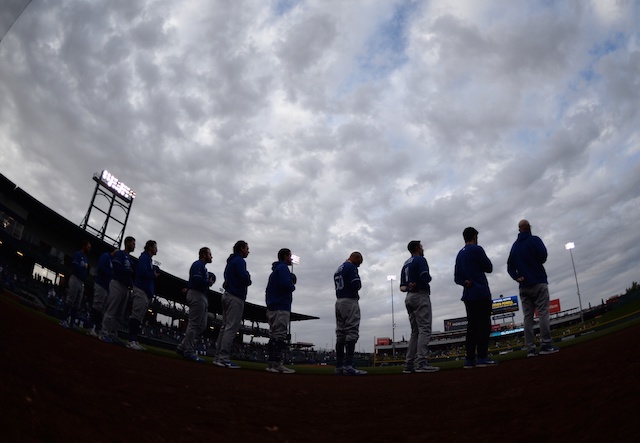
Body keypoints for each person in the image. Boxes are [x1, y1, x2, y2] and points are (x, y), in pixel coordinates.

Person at [507, 220, 559, 357]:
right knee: (543, 313)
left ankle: (530, 349)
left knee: (528, 318)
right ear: (529, 228)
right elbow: (543, 256)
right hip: (538, 281)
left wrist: (516, 277)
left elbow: (510, 267)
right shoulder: (534, 240)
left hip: (523, 286)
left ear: (519, 230)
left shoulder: (515, 246)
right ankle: (546, 345)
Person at [454, 227, 497, 369]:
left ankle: (469, 359)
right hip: (481, 292)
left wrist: (464, 282)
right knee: (484, 324)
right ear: (474, 236)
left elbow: (457, 278)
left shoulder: (459, 254)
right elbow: (489, 267)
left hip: (468, 295)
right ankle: (482, 356)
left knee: (472, 327)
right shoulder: (477, 249)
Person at [399, 240, 439, 373]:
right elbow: (425, 277)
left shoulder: (405, 264)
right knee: (424, 329)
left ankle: (409, 364)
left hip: (409, 297)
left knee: (415, 332)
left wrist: (410, 285)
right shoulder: (420, 260)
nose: (422, 248)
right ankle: (421, 362)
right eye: (421, 246)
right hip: (420, 296)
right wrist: (427, 279)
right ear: (417, 248)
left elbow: (402, 287)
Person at [213, 240, 252, 369]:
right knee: (230, 328)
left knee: (225, 327)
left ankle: (218, 357)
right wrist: (248, 277)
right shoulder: (240, 261)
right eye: (247, 248)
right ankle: (223, 358)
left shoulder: (230, 261)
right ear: (241, 248)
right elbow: (244, 278)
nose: (248, 251)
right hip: (235, 297)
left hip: (227, 295)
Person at [176, 247, 216, 363]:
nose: (211, 256)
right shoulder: (198, 264)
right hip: (196, 294)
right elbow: (197, 281)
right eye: (210, 254)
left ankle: (182, 347)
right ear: (204, 254)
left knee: (202, 326)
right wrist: (209, 282)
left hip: (200, 295)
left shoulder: (203, 267)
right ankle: (188, 351)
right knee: (194, 324)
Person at [333, 252, 367, 375]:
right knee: (351, 332)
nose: (358, 266)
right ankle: (348, 365)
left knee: (340, 334)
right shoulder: (351, 267)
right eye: (359, 263)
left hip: (339, 302)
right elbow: (356, 285)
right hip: (350, 301)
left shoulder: (338, 269)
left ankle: (339, 366)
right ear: (356, 258)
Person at [265, 248, 296, 374]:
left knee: (273, 336)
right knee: (279, 336)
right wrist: (292, 283)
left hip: (272, 307)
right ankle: (276, 364)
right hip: (280, 307)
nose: (291, 259)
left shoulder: (275, 270)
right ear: (285, 256)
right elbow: (287, 286)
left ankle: (272, 363)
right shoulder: (283, 268)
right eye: (289, 256)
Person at [100, 236, 135, 345]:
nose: (134, 245)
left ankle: (113, 335)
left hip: (125, 287)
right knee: (111, 310)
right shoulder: (120, 253)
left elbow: (132, 273)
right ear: (127, 243)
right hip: (117, 283)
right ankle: (104, 333)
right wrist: (128, 271)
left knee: (119, 314)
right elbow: (116, 267)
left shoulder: (129, 258)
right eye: (133, 243)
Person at [127, 240, 160, 351]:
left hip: (145, 291)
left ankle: (134, 340)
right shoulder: (144, 257)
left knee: (139, 318)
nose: (156, 249)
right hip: (140, 289)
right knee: (136, 316)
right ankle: (131, 340)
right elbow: (141, 272)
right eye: (155, 247)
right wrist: (153, 274)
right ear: (150, 247)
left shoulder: (148, 259)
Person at [60, 240, 91, 329]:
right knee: (70, 300)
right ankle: (63, 320)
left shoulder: (86, 258)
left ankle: (72, 323)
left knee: (77, 304)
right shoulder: (78, 254)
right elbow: (74, 266)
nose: (89, 249)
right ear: (84, 246)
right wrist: (83, 267)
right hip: (74, 278)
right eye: (88, 247)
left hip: (81, 281)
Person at [87, 249, 115, 338]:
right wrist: (111, 274)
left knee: (102, 309)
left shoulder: (112, 261)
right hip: (100, 284)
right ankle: (90, 327)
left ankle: (97, 329)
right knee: (97, 306)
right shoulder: (106, 256)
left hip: (106, 287)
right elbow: (101, 268)